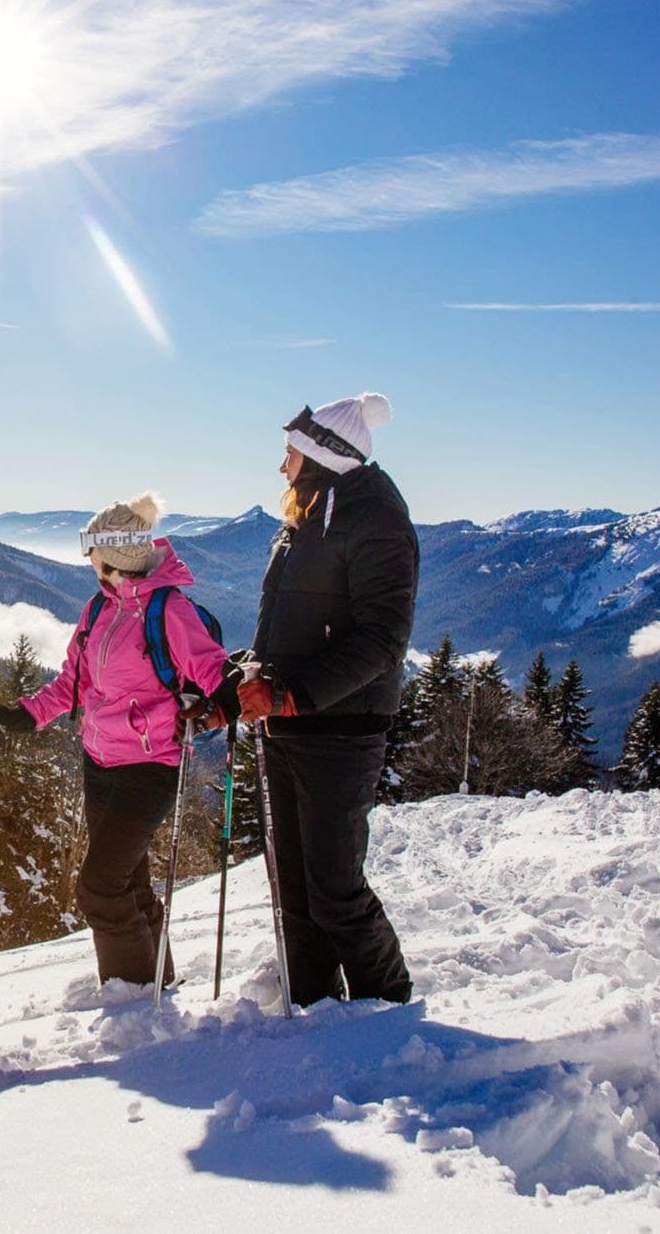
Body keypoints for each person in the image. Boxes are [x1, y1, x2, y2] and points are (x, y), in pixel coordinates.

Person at [0, 493, 238, 989]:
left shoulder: (168, 610)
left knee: (99, 887)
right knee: (129, 881)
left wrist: (230, 689)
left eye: (92, 550)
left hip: (149, 767)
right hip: (99, 763)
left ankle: (132, 995)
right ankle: (158, 984)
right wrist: (23, 715)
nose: (87, 560)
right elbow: (72, 682)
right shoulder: (98, 608)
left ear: (114, 555)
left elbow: (209, 666)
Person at [236, 392, 415, 1007]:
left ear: (321, 458)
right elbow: (281, 631)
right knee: (294, 894)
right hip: (289, 728)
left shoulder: (377, 520)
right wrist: (232, 686)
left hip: (341, 730)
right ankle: (312, 1012)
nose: (281, 467)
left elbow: (383, 640)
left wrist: (290, 694)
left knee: (335, 892)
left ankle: (390, 1009)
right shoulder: (306, 522)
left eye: (289, 455)